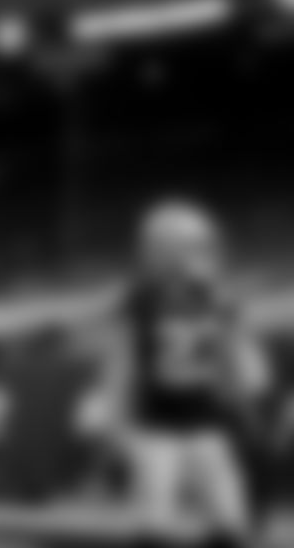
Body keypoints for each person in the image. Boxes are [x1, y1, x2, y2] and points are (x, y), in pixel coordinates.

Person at [86, 200, 269, 548]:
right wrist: (115, 424)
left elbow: (235, 360)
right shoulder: (139, 306)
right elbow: (120, 367)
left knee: (227, 516)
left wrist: (245, 406)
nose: (197, 257)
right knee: (155, 515)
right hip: (156, 421)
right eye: (189, 247)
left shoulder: (217, 301)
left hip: (205, 418)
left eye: (201, 247)